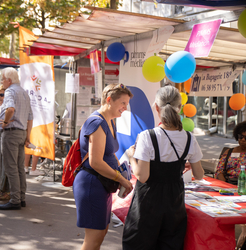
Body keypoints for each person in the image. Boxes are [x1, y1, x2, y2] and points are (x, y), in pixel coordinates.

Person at [122, 85, 204, 250]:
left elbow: (142, 176)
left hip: (147, 203)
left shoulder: (147, 136)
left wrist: (131, 157)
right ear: (179, 108)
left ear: (157, 108)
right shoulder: (189, 137)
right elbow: (199, 174)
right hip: (174, 203)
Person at [73, 83, 134, 250]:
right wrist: (122, 179)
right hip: (92, 185)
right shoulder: (97, 122)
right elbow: (96, 162)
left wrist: (122, 169)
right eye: (123, 103)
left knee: (100, 234)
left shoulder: (110, 121)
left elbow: (109, 153)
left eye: (126, 104)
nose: (125, 108)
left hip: (102, 184)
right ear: (109, 100)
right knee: (93, 239)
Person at [0, 67, 33, 210]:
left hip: (11, 133)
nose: (2, 82)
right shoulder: (24, 92)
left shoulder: (10, 91)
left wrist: (5, 122)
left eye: (2, 79)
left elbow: (10, 109)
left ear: (9, 80)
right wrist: (27, 136)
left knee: (11, 167)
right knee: (19, 168)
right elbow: (30, 117)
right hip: (22, 132)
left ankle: (15, 199)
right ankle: (21, 197)